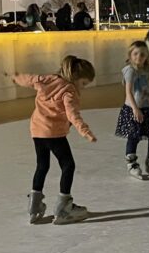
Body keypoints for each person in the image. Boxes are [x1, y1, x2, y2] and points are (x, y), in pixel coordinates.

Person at [11, 55, 97, 225]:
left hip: (37, 130)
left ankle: (34, 206)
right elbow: (73, 115)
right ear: (76, 78)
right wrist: (85, 131)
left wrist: (15, 77)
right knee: (68, 165)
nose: (83, 88)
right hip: (54, 133)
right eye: (84, 83)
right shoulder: (68, 90)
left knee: (42, 165)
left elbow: (29, 79)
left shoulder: (47, 79)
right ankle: (64, 207)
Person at [116, 40, 149, 179]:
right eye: (135, 54)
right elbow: (128, 92)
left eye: (142, 55)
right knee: (134, 136)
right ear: (130, 54)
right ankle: (132, 163)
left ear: (147, 56)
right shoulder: (130, 71)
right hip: (133, 109)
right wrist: (135, 109)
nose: (139, 57)